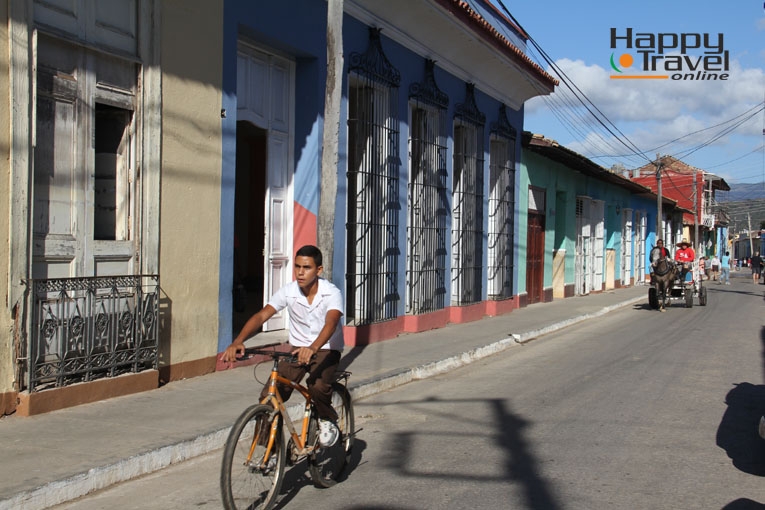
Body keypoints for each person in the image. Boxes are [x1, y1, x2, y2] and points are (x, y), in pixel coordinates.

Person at [221, 245, 344, 447]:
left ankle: (326, 419)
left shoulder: (331, 293)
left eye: (306, 267)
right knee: (269, 395)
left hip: (325, 348)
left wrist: (313, 348)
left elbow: (331, 324)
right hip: (297, 349)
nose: (300, 272)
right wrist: (238, 341)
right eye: (297, 267)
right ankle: (268, 452)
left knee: (317, 386)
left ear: (319, 270)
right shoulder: (289, 291)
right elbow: (262, 315)